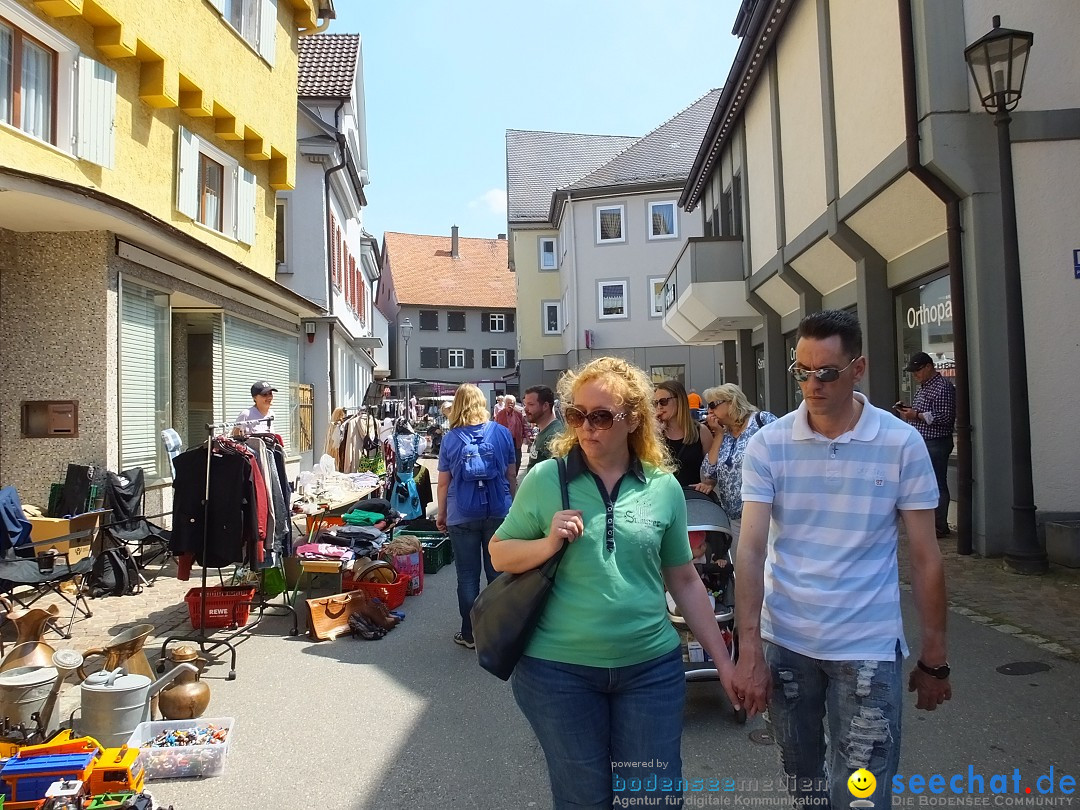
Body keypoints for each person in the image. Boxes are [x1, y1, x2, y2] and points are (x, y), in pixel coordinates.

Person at [491, 357, 740, 809]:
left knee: (653, 798)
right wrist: (548, 542)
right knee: (583, 799)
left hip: (650, 670)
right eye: (577, 415)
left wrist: (724, 663)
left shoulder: (662, 487)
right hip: (557, 673)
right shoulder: (548, 478)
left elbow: (683, 579)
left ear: (632, 419)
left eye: (602, 416)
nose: (587, 427)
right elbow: (499, 552)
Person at [733, 310, 950, 810]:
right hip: (788, 641)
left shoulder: (901, 442)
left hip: (867, 645)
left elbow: (925, 556)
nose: (813, 384)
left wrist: (934, 656)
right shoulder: (768, 445)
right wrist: (749, 650)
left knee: (861, 795)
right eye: (802, 372)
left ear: (859, 368)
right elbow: (750, 548)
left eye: (827, 372)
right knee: (804, 782)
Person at [437, 383, 517, 649]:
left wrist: (442, 514)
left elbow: (443, 483)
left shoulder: (450, 439)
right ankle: (497, 633)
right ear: (482, 403)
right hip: (498, 511)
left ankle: (470, 634)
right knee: (498, 575)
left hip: (462, 514)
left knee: (468, 577)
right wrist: (513, 505)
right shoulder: (502, 433)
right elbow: (511, 475)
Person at [693, 383, 776, 559]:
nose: (709, 411)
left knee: (769, 568)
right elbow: (707, 475)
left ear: (732, 402)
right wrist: (718, 435)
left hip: (765, 512)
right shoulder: (725, 434)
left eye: (713, 405)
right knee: (743, 568)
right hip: (735, 517)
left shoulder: (761, 421)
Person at [896, 352, 957, 538]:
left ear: (929, 367)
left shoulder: (942, 387)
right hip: (925, 441)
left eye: (917, 370)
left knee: (937, 483)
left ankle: (939, 526)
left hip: (936, 442)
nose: (915, 375)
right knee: (926, 483)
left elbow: (945, 418)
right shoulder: (924, 387)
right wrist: (910, 411)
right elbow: (926, 412)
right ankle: (931, 524)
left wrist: (916, 415)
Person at [653, 379, 710, 488]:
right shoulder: (656, 434)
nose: (659, 406)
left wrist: (708, 484)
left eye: (663, 401)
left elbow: (712, 470)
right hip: (663, 498)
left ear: (679, 400)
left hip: (692, 499)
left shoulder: (700, 431)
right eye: (656, 403)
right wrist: (654, 433)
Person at [522, 385, 563, 469]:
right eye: (525, 404)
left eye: (531, 404)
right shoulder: (545, 431)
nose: (525, 409)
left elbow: (556, 474)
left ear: (545, 406)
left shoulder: (555, 436)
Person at [494, 393, 527, 476]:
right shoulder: (500, 414)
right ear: (505, 404)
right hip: (504, 440)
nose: (510, 405)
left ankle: (514, 476)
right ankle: (506, 476)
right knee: (505, 459)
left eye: (512, 403)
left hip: (516, 440)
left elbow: (525, 425)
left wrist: (526, 436)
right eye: (508, 403)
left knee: (518, 460)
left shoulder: (519, 414)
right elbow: (495, 427)